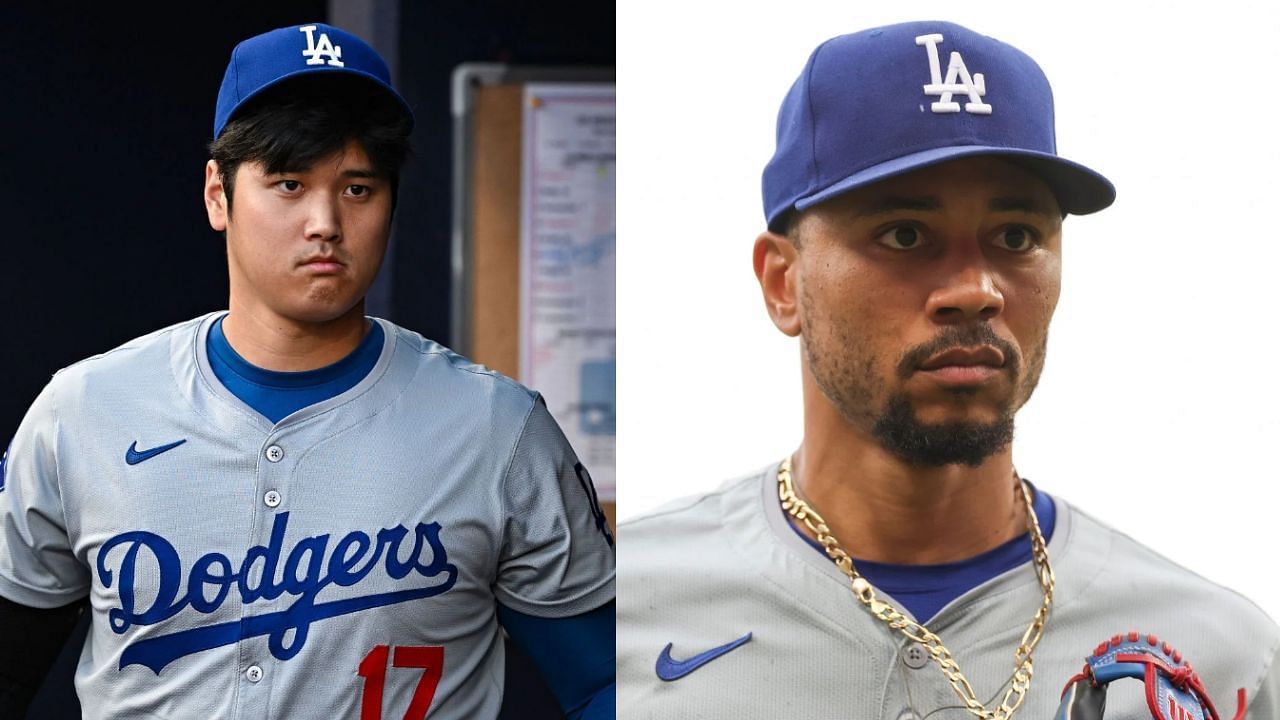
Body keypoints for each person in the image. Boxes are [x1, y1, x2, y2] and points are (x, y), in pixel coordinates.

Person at [617, 20, 1279, 719]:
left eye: (1016, 237)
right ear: (784, 283)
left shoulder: (1212, 655)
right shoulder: (627, 605)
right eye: (905, 234)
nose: (976, 289)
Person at [0, 23, 615, 720]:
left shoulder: (498, 430)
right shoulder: (84, 411)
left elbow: (605, 685)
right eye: (288, 183)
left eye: (357, 188)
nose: (325, 221)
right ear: (217, 195)